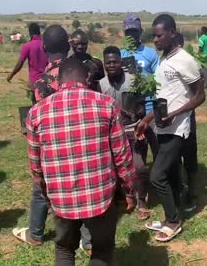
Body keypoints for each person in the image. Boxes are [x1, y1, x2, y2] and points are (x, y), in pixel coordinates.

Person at [26, 58, 135, 266]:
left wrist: (49, 198)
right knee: (102, 249)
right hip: (100, 198)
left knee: (64, 248)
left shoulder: (36, 112)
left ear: (58, 80)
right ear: (86, 78)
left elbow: (36, 167)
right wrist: (129, 191)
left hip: (61, 200)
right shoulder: (107, 105)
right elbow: (122, 156)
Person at [137, 14, 206, 242]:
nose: (155, 40)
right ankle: (171, 215)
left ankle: (174, 222)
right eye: (153, 36)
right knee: (173, 174)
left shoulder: (184, 60)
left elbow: (200, 96)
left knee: (157, 176)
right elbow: (164, 97)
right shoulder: (165, 59)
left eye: (159, 35)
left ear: (173, 33)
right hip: (163, 127)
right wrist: (148, 119)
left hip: (177, 129)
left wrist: (174, 115)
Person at [12, 25, 70, 247]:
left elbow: (40, 119)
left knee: (40, 189)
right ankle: (87, 239)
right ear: (68, 46)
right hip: (81, 143)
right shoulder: (82, 73)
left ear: (44, 48)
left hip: (53, 147)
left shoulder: (42, 83)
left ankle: (35, 233)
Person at [99, 46, 150, 220]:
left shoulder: (134, 80)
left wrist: (137, 118)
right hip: (113, 133)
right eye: (108, 62)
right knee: (112, 168)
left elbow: (143, 107)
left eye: (115, 61)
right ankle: (122, 197)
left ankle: (142, 200)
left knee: (139, 167)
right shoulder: (101, 85)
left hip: (134, 129)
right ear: (104, 64)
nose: (112, 65)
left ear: (121, 62)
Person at [121, 14, 160, 161]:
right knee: (138, 149)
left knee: (157, 146)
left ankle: (161, 178)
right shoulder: (121, 54)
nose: (131, 35)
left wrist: (145, 82)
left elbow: (159, 79)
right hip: (132, 112)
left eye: (134, 32)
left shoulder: (150, 54)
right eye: (128, 33)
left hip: (151, 109)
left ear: (141, 32)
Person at [173, 32, 198, 212]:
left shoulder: (187, 62)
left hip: (186, 117)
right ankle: (178, 189)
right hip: (171, 120)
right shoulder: (165, 61)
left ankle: (192, 193)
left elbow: (197, 93)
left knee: (189, 156)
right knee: (174, 157)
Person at [7, 23, 49, 103]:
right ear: (39, 32)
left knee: (36, 103)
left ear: (30, 33)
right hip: (48, 79)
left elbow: (20, 63)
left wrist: (11, 75)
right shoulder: (46, 44)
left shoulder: (27, 46)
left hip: (34, 81)